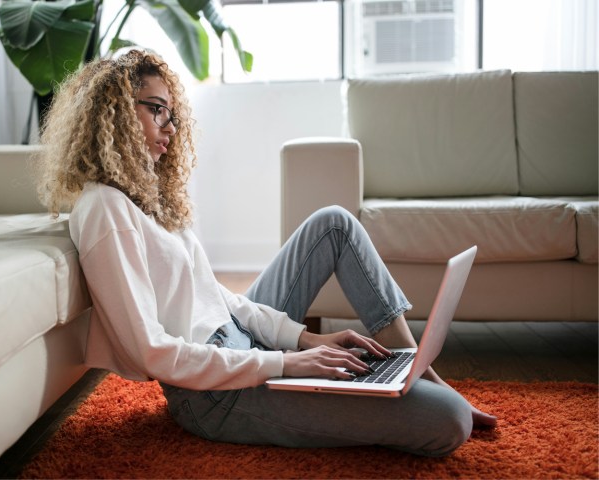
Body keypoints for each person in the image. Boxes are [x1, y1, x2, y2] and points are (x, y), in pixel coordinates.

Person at [36, 49, 496, 457]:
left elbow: (218, 298)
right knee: (449, 420)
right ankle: (423, 387)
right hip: (213, 395)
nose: (170, 129)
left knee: (333, 223)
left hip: (241, 343)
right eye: (157, 110)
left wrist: (303, 340)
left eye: (172, 115)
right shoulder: (104, 208)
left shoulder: (145, 198)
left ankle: (416, 367)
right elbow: (152, 352)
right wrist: (284, 363)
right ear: (113, 112)